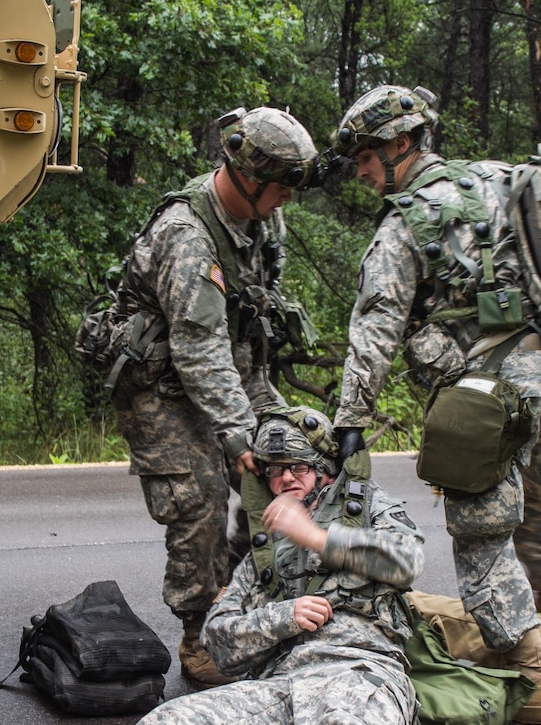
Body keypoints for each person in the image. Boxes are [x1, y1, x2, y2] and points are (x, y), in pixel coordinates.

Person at [329, 84, 541, 723]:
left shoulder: (405, 221)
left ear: (400, 143)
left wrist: (351, 420)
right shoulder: (500, 180)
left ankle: (534, 692)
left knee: (479, 538)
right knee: (528, 502)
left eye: (365, 155)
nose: (361, 170)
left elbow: (376, 325)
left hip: (491, 396)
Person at [107, 106, 321, 688]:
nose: (285, 201)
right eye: (279, 188)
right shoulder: (186, 238)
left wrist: (265, 431)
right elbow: (196, 348)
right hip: (161, 384)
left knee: (299, 459)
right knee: (200, 492)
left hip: (234, 366)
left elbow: (241, 330)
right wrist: (235, 437)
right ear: (248, 177)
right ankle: (199, 632)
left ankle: (249, 584)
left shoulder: (257, 223)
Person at [137, 406, 425, 724]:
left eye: (299, 466)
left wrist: (317, 538)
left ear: (325, 468)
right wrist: (284, 617)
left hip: (360, 675)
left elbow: (409, 558)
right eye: (275, 469)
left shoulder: (364, 508)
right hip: (280, 686)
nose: (286, 478)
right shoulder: (264, 550)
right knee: (167, 719)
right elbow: (218, 644)